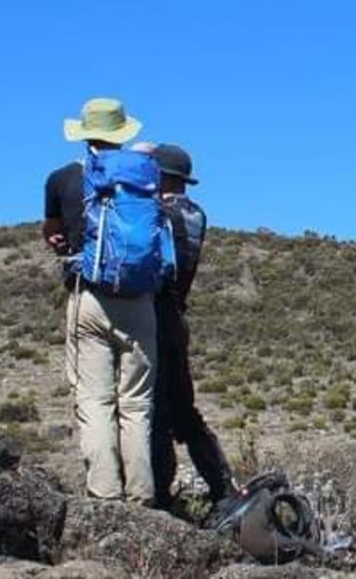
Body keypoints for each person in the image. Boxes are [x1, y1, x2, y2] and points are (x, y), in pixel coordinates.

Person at [44, 97, 158, 505]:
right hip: (141, 299)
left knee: (94, 400)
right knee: (138, 405)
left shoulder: (62, 179)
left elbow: (53, 234)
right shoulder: (145, 176)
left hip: (88, 296)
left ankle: (104, 496)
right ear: (122, 132)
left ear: (85, 133)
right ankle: (143, 496)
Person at [134, 141, 235, 508]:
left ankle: (159, 493)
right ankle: (222, 485)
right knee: (185, 409)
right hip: (178, 318)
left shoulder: (159, 215)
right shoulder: (195, 215)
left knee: (156, 409)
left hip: (157, 316)